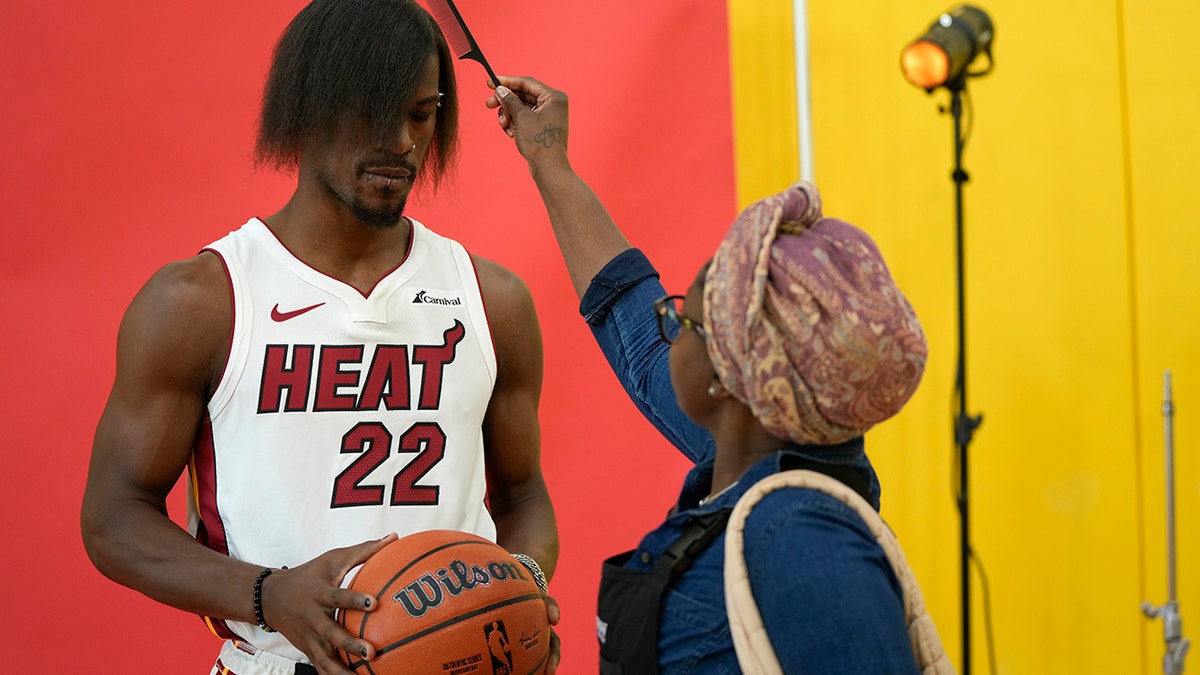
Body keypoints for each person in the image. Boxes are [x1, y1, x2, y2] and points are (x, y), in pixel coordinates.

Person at [79, 3, 559, 674]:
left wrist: (521, 592)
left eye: (420, 114)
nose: (399, 141)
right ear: (305, 108)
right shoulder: (202, 300)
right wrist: (267, 592)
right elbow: (113, 517)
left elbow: (523, 495)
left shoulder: (492, 299)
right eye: (370, 111)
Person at [489, 77, 934, 673]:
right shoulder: (754, 450)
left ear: (732, 379)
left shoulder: (807, 546)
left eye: (687, 318)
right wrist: (549, 162)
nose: (668, 328)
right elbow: (637, 332)